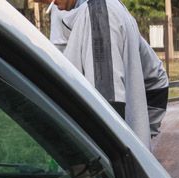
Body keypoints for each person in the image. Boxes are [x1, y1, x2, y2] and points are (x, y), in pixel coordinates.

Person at [49, 0, 169, 148]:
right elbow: (157, 79)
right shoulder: (114, 8)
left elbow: (108, 107)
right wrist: (141, 135)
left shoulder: (99, 14)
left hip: (112, 166)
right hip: (129, 158)